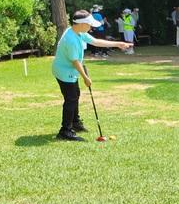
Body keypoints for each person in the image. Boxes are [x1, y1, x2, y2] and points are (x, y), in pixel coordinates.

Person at [51, 9, 133, 142]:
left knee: (75, 95)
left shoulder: (78, 32)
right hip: (64, 72)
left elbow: (95, 42)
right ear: (82, 24)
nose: (90, 27)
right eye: (89, 25)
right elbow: (75, 62)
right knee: (71, 98)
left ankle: (75, 122)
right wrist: (85, 78)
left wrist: (118, 44)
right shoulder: (70, 39)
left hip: (69, 70)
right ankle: (65, 130)